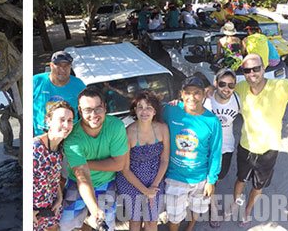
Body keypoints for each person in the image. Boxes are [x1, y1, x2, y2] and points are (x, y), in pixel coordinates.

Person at [232, 45, 288, 226]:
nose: (252, 73)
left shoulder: (280, 86)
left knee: (258, 185)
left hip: (269, 149)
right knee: (240, 179)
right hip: (245, 145)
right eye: (247, 70)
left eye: (256, 68)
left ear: (264, 69)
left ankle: (247, 210)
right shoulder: (241, 87)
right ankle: (235, 204)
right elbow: (221, 91)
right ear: (243, 73)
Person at [60, 85, 128, 231]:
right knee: (65, 223)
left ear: (104, 107)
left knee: (107, 225)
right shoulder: (72, 137)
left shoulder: (116, 126)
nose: (94, 114)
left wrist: (84, 163)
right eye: (87, 110)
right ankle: (87, 218)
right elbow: (82, 176)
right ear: (79, 111)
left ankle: (89, 219)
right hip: (77, 183)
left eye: (98, 108)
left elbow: (118, 164)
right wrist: (94, 208)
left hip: (105, 181)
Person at [162, 76, 222, 231]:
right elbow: (150, 112)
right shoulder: (170, 110)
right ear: (181, 94)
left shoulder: (212, 121)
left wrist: (211, 180)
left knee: (197, 209)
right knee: (174, 216)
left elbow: (215, 152)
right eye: (187, 93)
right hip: (175, 176)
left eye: (196, 93)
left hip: (201, 178)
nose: (192, 97)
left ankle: (191, 226)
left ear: (203, 94)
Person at [116, 91, 170, 231]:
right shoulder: (128, 133)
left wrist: (154, 186)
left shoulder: (162, 129)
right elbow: (125, 168)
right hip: (131, 182)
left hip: (155, 180)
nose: (144, 111)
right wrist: (145, 191)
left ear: (154, 111)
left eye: (149, 107)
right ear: (135, 110)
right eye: (140, 107)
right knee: (135, 221)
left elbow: (164, 159)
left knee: (151, 221)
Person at [204, 70, 241, 227]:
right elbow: (188, 104)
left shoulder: (238, 100)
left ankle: (208, 197)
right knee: (209, 179)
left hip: (227, 147)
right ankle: (213, 209)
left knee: (219, 177)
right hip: (209, 148)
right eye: (222, 84)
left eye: (231, 85)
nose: (226, 88)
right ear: (215, 83)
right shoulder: (207, 100)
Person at [33, 100, 75, 231]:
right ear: (48, 121)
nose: (66, 125)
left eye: (70, 120)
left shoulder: (60, 149)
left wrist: (59, 197)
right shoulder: (35, 147)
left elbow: (54, 178)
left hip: (50, 207)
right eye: (61, 119)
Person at [33, 51, 86, 135]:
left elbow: (86, 111)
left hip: (69, 137)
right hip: (41, 136)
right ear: (51, 66)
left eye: (66, 66)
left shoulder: (79, 85)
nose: (62, 69)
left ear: (70, 67)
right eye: (58, 65)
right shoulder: (36, 81)